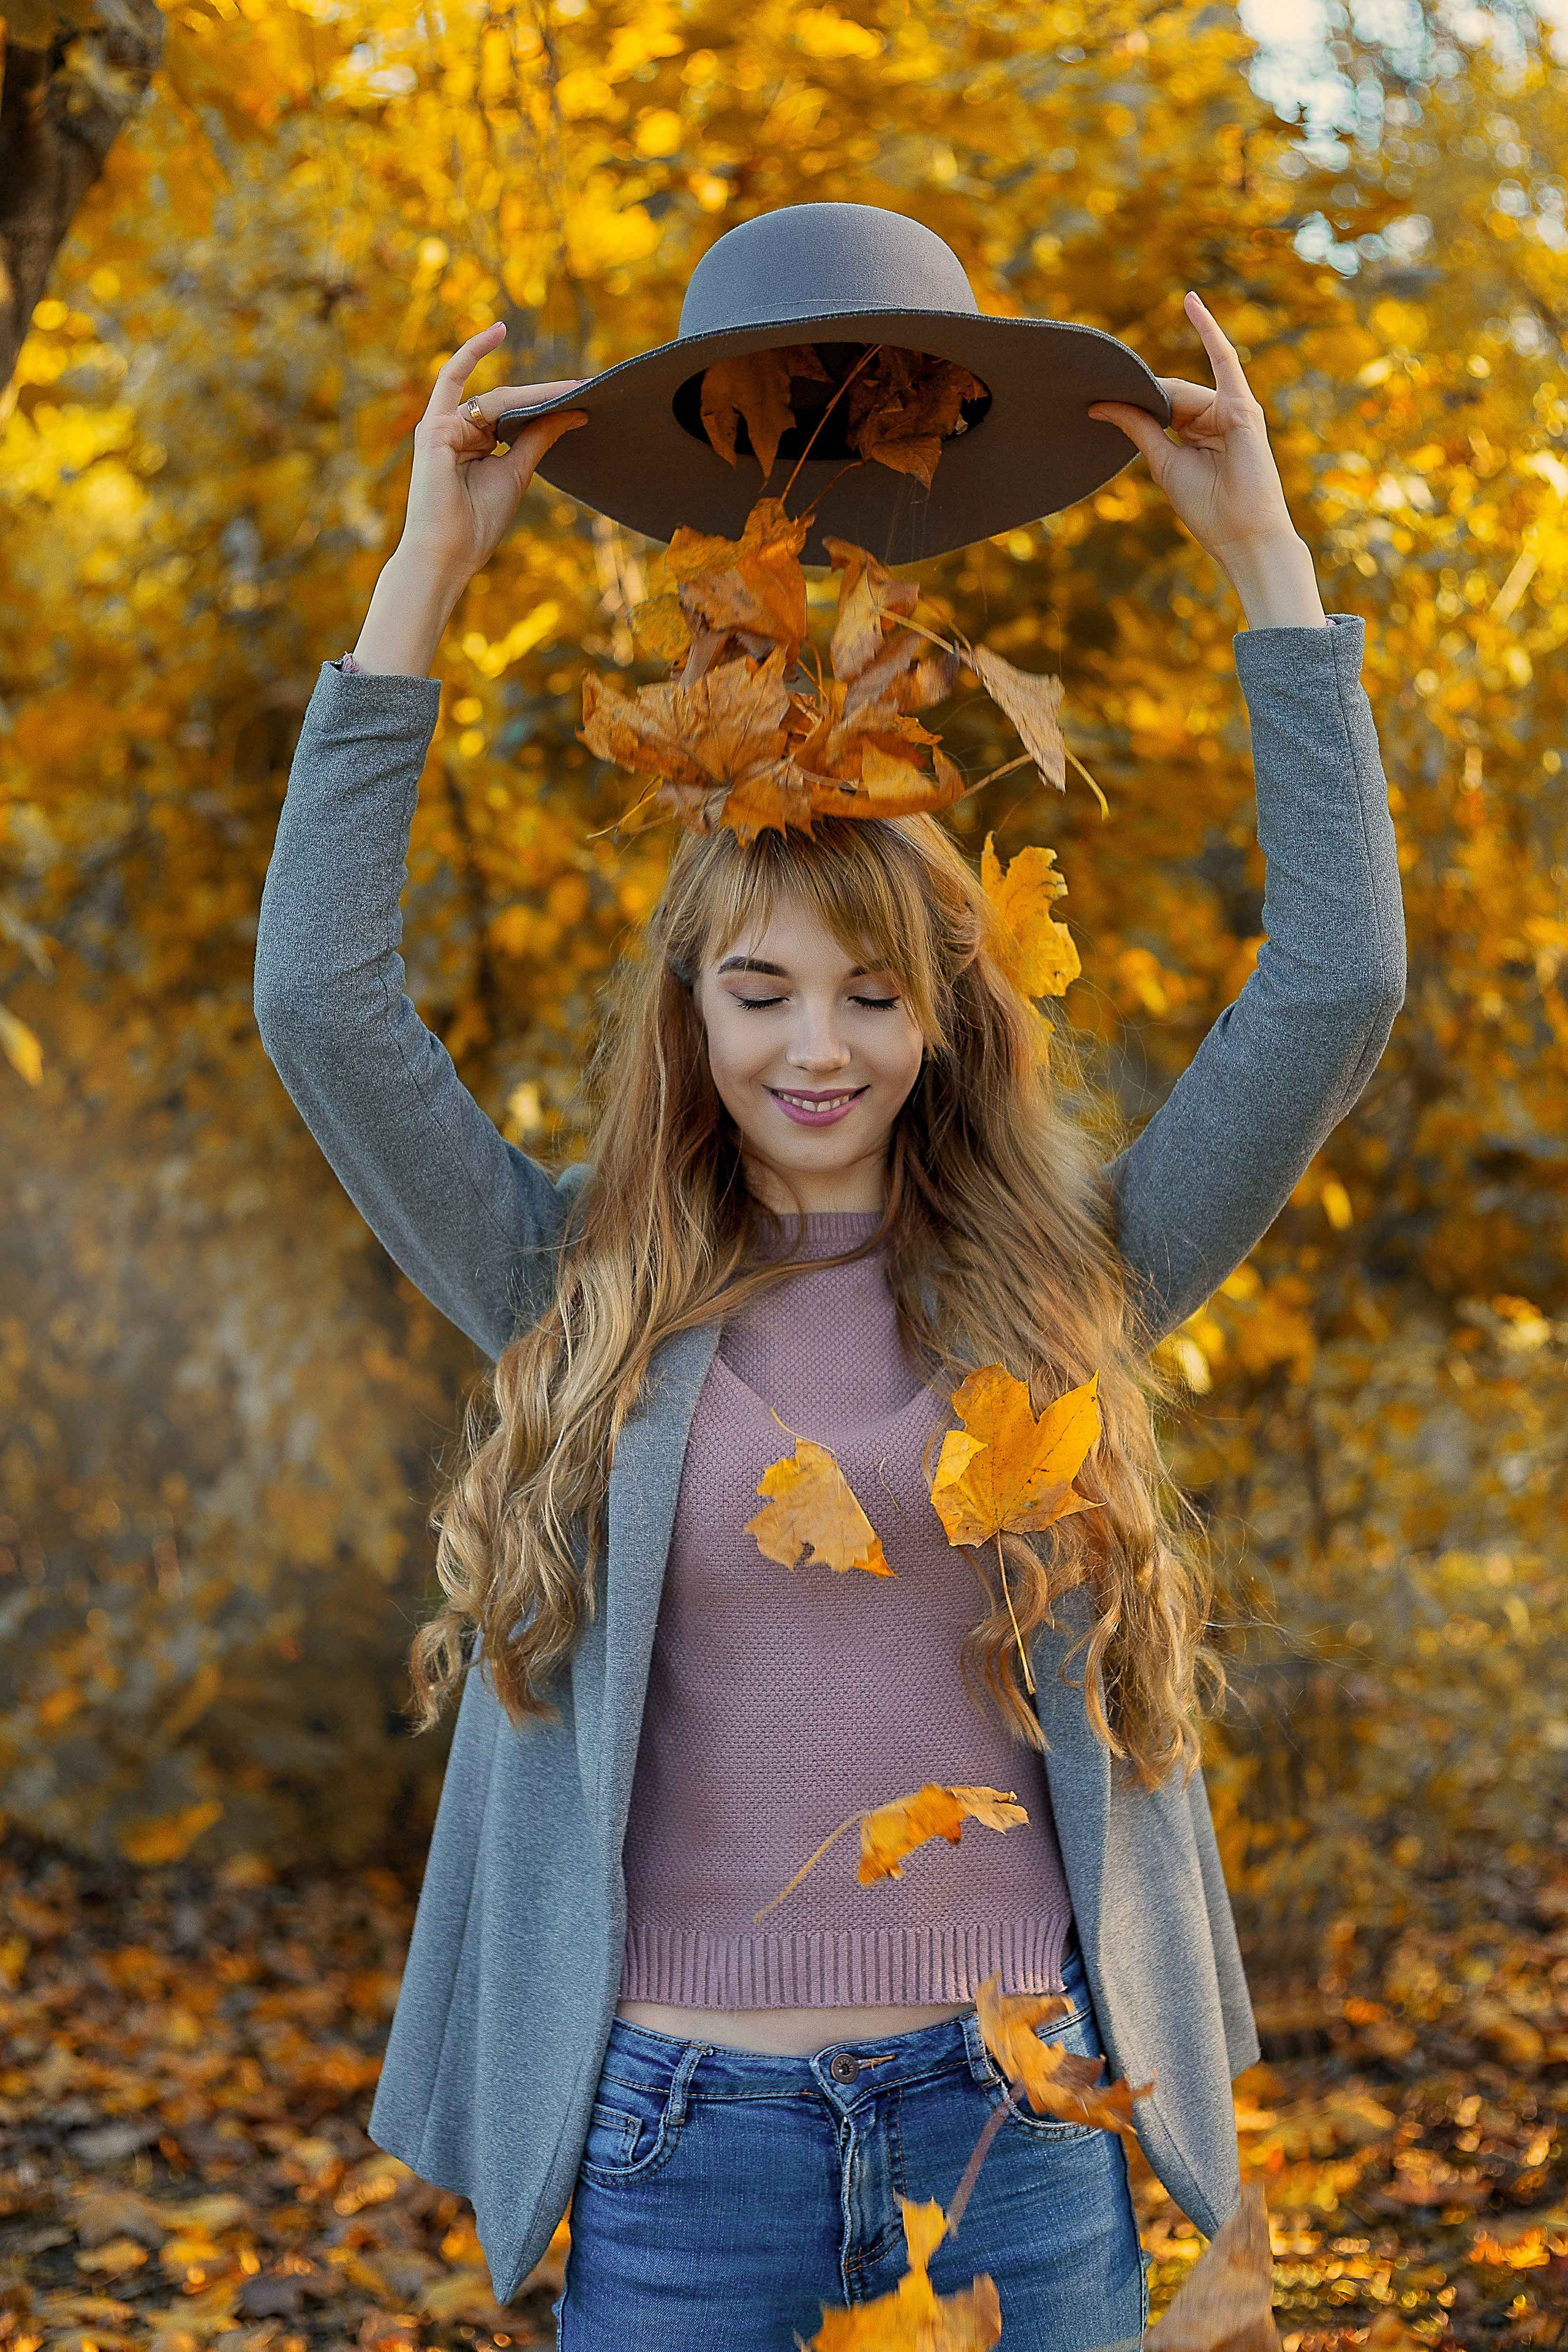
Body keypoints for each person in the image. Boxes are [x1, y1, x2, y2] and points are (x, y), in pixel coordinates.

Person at [253, 290, 1405, 2350]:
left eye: (876, 996)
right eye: (761, 991)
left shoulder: (1069, 1281)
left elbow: (1332, 994)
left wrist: (1268, 570)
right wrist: (427, 570)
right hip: (685, 2138)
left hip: (1019, 2121)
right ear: (686, 1016)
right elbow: (319, 1004)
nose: (818, 1048)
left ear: (946, 1019)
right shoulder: (569, 1288)